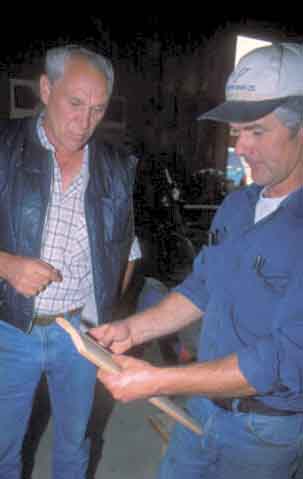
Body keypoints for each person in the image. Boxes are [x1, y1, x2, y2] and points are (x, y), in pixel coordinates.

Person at [91, 42, 303, 479]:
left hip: (262, 429)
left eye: (257, 131)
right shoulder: (239, 206)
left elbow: (278, 362)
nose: (240, 147)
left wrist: (159, 380)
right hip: (203, 404)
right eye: (236, 132)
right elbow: (201, 289)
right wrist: (132, 329)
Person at [0, 44, 137, 479]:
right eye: (75, 104)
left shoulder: (117, 165)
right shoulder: (3, 148)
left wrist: (106, 317)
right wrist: (6, 265)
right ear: (45, 88)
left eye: (98, 110)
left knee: (74, 443)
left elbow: (125, 250)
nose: (84, 122)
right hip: (10, 330)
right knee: (3, 447)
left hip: (80, 333)